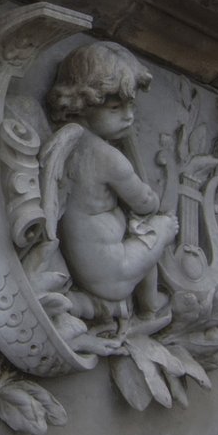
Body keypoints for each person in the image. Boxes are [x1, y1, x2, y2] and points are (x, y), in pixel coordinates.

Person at [45, 42, 178, 313]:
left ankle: (145, 301)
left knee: (138, 228)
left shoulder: (69, 141)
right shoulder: (108, 158)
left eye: (132, 106)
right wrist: (157, 211)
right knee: (159, 227)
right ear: (82, 104)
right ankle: (150, 301)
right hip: (113, 273)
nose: (129, 117)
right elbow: (145, 203)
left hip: (90, 266)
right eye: (115, 109)